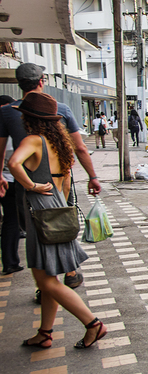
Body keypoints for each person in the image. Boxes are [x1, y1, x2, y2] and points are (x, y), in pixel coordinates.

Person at [9, 92, 107, 350]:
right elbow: (64, 185)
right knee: (49, 275)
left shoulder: (33, 140)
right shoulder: (59, 144)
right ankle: (45, 332)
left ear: (29, 118)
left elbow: (13, 163)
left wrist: (30, 185)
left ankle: (93, 324)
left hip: (41, 212)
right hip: (58, 210)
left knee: (46, 281)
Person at [0, 63, 101, 292]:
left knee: (38, 230)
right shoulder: (60, 108)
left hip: (28, 186)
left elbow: (4, 152)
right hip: (60, 181)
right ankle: (67, 272)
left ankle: (47, 282)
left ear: (19, 83)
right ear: (42, 81)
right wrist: (92, 176)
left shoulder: (7, 112)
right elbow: (80, 148)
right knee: (61, 222)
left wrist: (13, 179)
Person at [0, 95, 22, 276]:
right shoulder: (13, 131)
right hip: (15, 181)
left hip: (5, 180)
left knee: (10, 221)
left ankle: (9, 262)